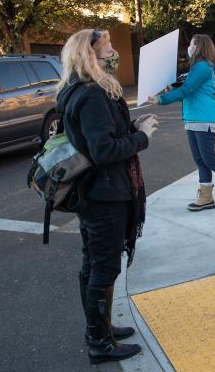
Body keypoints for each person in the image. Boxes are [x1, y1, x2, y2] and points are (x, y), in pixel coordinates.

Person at [56, 29, 158, 364]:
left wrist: (132, 126)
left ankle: (100, 328)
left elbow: (100, 137)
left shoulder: (77, 89)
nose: (114, 51)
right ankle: (99, 341)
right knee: (103, 268)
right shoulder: (91, 95)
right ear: (91, 54)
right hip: (104, 196)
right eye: (108, 47)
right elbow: (102, 150)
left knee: (94, 263)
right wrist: (142, 137)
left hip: (94, 193)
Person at [148, 34, 215, 211]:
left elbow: (188, 89)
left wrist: (161, 99)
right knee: (200, 159)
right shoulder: (200, 67)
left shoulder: (202, 66)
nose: (189, 47)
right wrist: (174, 90)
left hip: (203, 118)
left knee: (208, 158)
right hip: (194, 118)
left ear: (199, 46)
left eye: (191, 44)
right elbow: (189, 89)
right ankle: (206, 197)